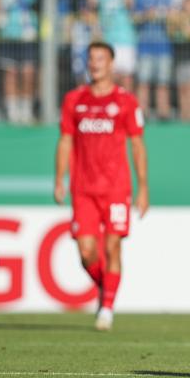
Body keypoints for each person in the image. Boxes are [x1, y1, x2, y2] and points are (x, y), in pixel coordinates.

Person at [54, 41, 149, 331]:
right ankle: (106, 288)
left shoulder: (125, 101)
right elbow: (66, 140)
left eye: (100, 58)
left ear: (111, 64)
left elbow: (137, 144)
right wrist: (60, 178)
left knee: (112, 246)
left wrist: (143, 187)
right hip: (83, 188)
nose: (95, 63)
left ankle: (106, 308)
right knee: (86, 252)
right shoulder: (74, 100)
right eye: (91, 58)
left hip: (116, 188)